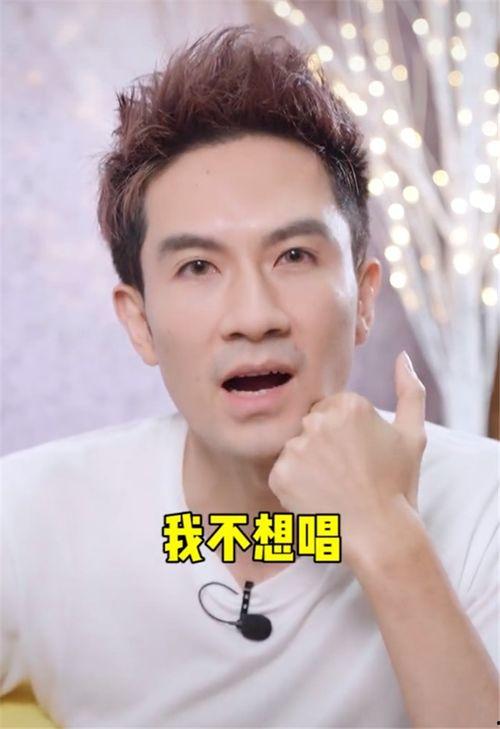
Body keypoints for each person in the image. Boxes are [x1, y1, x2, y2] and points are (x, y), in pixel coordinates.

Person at [1, 24, 498, 729]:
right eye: (198, 267)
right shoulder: (30, 517)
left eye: (294, 256)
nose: (254, 316)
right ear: (139, 322)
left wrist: (390, 536)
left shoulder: (483, 505)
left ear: (363, 298)